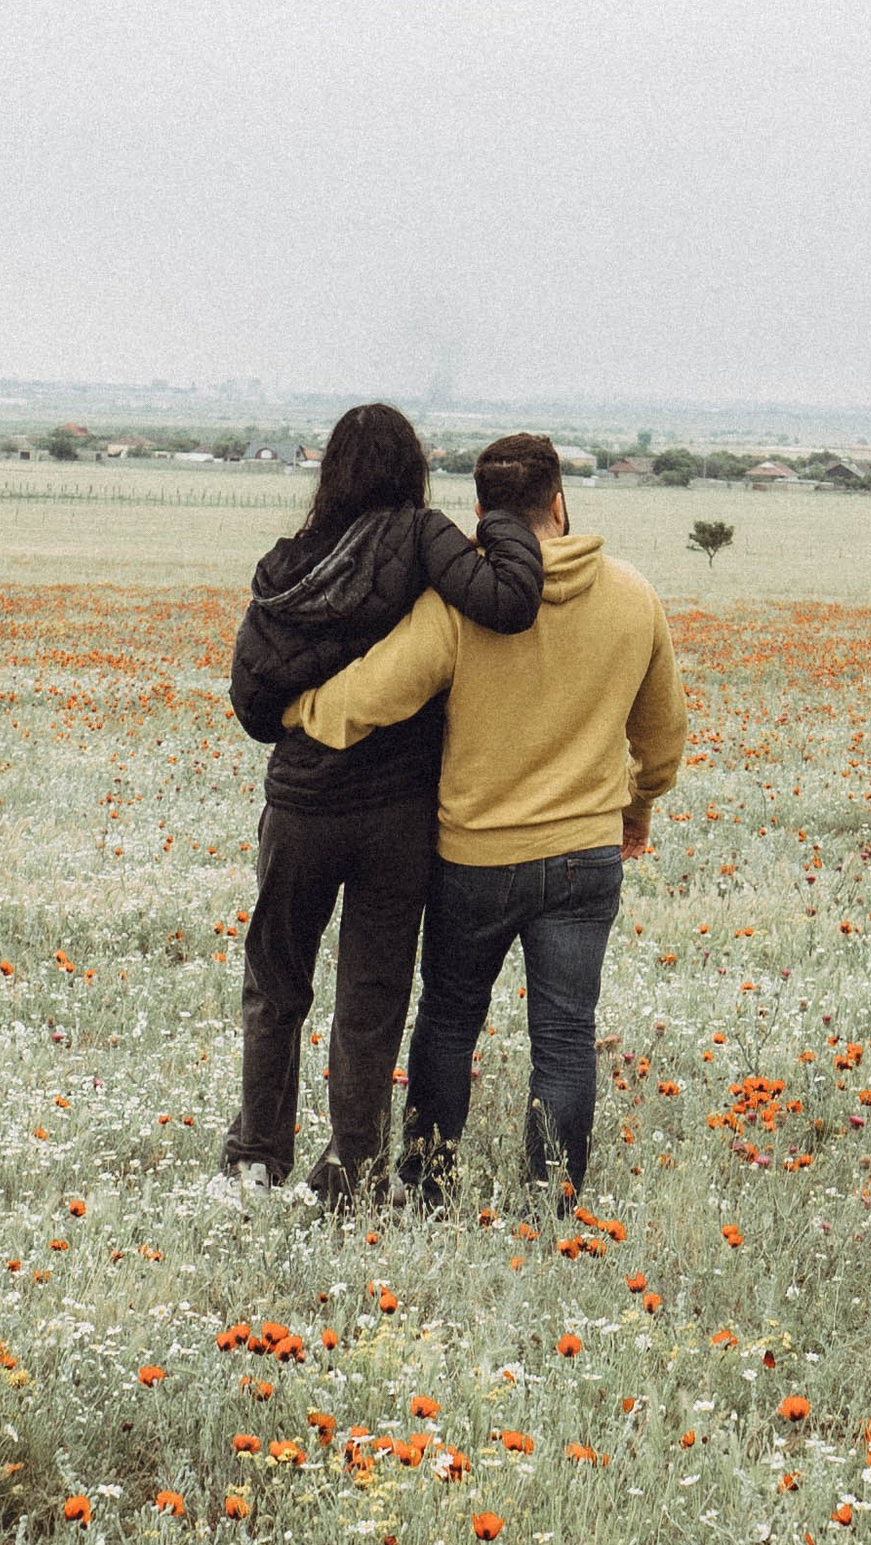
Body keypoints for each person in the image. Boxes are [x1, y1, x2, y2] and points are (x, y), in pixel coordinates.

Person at [282, 430, 686, 1199]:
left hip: (475, 859)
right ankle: (551, 1202)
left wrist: (298, 709)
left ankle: (427, 1184)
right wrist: (639, 808)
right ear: (559, 503)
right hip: (584, 856)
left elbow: (375, 694)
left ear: (479, 513)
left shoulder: (459, 607)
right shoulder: (634, 596)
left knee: (450, 1023)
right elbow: (662, 734)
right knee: (565, 1036)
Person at [218, 403, 543, 1204]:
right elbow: (508, 600)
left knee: (277, 982)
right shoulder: (420, 535)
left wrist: (310, 704)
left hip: (300, 808)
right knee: (371, 996)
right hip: (397, 814)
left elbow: (252, 701)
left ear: (332, 471)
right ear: (411, 470)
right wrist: (503, 516)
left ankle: (258, 1158)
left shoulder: (289, 564)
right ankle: (352, 1171)